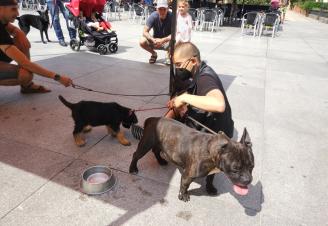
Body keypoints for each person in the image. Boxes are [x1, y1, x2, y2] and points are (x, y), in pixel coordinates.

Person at [0, 0, 72, 93]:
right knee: (25, 75)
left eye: (17, 9)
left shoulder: (2, 20)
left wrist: (20, 33)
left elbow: (12, 28)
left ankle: (26, 86)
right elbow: (25, 63)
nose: (17, 13)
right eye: (13, 9)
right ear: (1, 9)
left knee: (21, 40)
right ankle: (26, 82)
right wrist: (58, 77)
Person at [166, 42, 234, 139]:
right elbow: (195, 91)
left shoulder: (205, 77)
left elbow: (219, 104)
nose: (177, 69)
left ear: (193, 61)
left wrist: (185, 98)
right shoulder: (198, 72)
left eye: (179, 64)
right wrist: (180, 98)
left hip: (217, 138)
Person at [139, 0, 172, 64]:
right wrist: (152, 39)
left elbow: (175, 33)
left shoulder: (172, 16)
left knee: (177, 41)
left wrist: (163, 40)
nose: (162, 11)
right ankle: (154, 54)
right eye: (160, 9)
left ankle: (168, 55)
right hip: (155, 40)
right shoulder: (153, 16)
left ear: (167, 9)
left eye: (164, 9)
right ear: (157, 9)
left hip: (167, 41)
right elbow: (145, 31)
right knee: (142, 41)